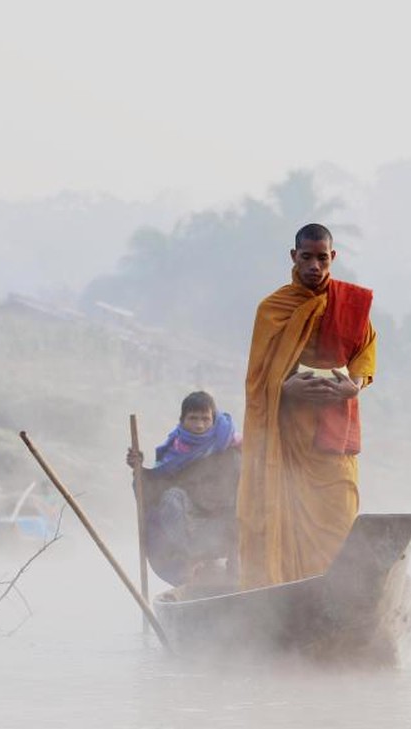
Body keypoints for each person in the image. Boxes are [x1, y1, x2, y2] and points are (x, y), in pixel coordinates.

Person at [237, 223, 376, 588]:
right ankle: (288, 598)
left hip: (333, 433)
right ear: (293, 257)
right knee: (286, 517)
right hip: (289, 438)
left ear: (333, 258)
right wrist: (285, 387)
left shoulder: (350, 304)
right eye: (306, 257)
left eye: (322, 258)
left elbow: (365, 351)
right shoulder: (273, 309)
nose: (315, 266)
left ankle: (340, 595)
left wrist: (354, 385)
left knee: (341, 516)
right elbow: (257, 379)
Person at [127, 390, 242, 586]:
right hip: (192, 524)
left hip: (228, 519)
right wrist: (138, 469)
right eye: (193, 418)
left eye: (205, 419)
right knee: (171, 499)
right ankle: (192, 561)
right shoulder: (176, 451)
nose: (199, 425)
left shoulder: (230, 446)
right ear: (182, 420)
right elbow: (156, 487)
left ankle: (235, 566)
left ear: (213, 419)